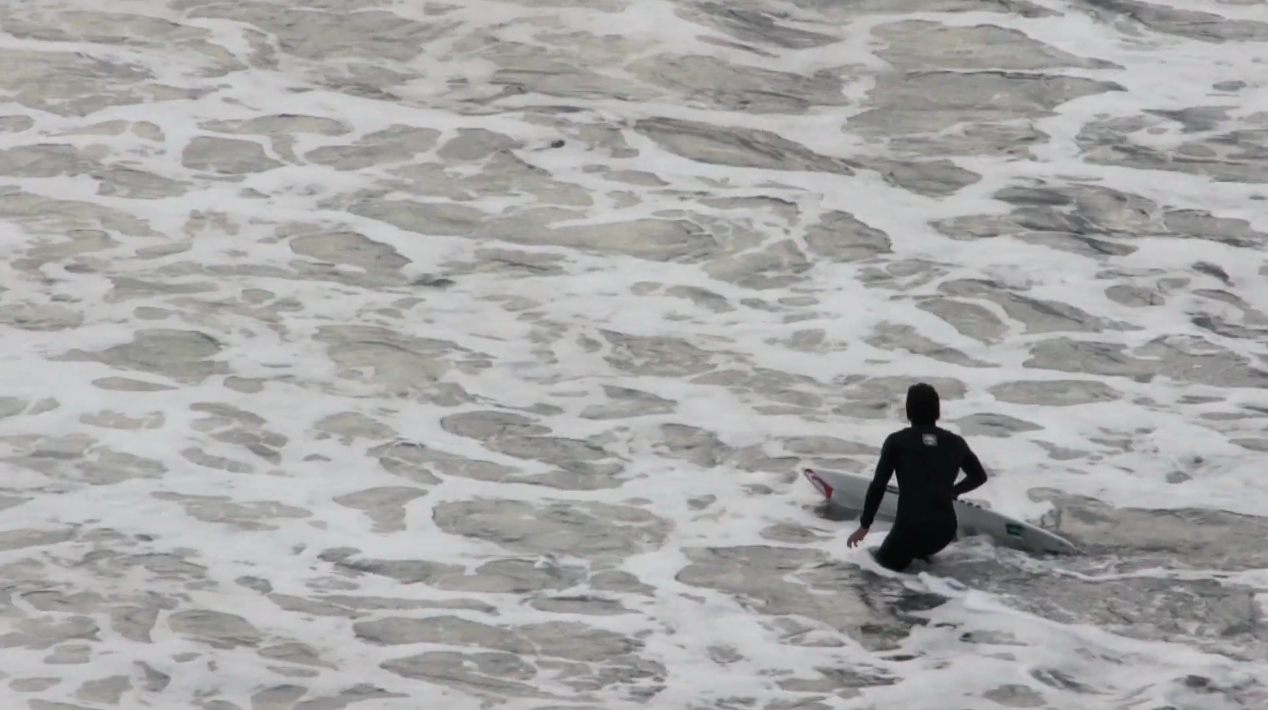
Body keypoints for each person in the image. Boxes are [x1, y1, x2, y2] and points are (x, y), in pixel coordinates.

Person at [846, 382, 988, 571]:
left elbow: (879, 485)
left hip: (909, 530)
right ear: (937, 413)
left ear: (908, 412)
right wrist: (951, 491)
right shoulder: (955, 443)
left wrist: (864, 526)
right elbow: (979, 476)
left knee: (872, 569)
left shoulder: (897, 442)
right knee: (917, 558)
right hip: (944, 531)